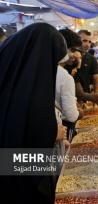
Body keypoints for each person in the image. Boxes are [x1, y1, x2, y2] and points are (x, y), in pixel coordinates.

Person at [0, 23, 68, 203]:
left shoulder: (10, 74)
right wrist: (53, 134)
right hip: (20, 178)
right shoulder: (31, 88)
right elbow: (25, 133)